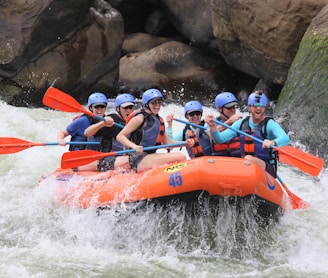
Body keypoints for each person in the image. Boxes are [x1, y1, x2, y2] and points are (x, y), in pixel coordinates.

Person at [205, 90, 290, 177]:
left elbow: (285, 138)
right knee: (245, 161)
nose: (258, 108)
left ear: (265, 107)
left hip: (266, 168)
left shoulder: (269, 124)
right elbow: (220, 139)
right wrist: (213, 128)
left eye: (261, 106)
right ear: (249, 107)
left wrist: (273, 142)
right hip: (246, 167)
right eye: (255, 105)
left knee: (248, 159)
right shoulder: (241, 123)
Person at [116, 88, 194, 173]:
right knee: (181, 156)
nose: (157, 105)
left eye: (159, 102)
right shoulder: (139, 118)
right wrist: (134, 146)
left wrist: (185, 143)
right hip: (138, 159)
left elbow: (168, 143)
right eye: (153, 102)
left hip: (150, 156)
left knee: (179, 157)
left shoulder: (159, 120)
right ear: (147, 104)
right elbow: (120, 136)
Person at [84, 93, 136, 171]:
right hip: (108, 160)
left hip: (125, 158)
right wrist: (103, 123)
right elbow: (87, 133)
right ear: (118, 109)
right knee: (134, 160)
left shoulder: (135, 121)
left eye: (130, 108)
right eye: (125, 108)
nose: (128, 111)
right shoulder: (111, 120)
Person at [211, 92, 242, 157]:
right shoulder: (212, 122)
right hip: (220, 160)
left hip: (238, 159)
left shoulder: (241, 122)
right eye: (229, 108)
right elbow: (210, 134)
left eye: (234, 107)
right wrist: (229, 122)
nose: (233, 110)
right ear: (220, 109)